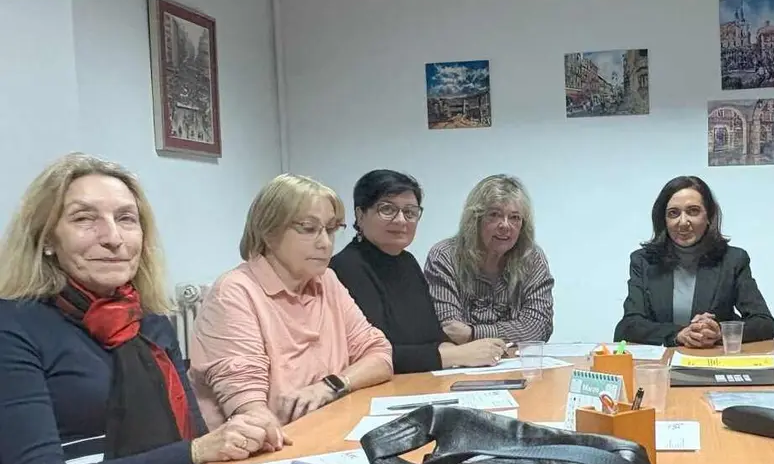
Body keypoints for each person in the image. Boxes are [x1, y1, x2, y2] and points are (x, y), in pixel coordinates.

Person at [0, 154, 271, 464]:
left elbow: (191, 437)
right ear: (47, 240)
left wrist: (238, 436)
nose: (113, 237)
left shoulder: (153, 323)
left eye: (127, 219)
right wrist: (198, 453)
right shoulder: (14, 326)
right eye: (84, 219)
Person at [189, 174, 393, 432]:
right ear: (268, 231)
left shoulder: (326, 280)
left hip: (326, 430)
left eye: (331, 229)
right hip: (259, 453)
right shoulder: (234, 292)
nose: (325, 242)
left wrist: (331, 385)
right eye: (308, 229)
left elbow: (380, 355)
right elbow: (252, 414)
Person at [331, 170, 507, 373]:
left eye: (410, 212)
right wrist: (458, 355)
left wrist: (474, 351)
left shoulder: (407, 261)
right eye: (387, 209)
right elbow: (374, 354)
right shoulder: (346, 267)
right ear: (360, 215)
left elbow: (431, 335)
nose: (401, 220)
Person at [614, 175, 774, 347]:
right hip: (664, 362)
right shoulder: (644, 261)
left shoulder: (733, 260)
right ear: (664, 220)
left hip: (713, 360)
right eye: (673, 213)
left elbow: (764, 323)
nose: (683, 222)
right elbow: (628, 327)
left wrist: (719, 331)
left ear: (709, 217)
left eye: (693, 211)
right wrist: (678, 334)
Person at [424, 174, 554, 344]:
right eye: (494, 214)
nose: (505, 225)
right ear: (475, 220)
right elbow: (450, 330)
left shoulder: (531, 257)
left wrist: (472, 333)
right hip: (462, 365)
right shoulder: (445, 256)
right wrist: (511, 332)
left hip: (515, 364)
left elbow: (538, 329)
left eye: (515, 217)